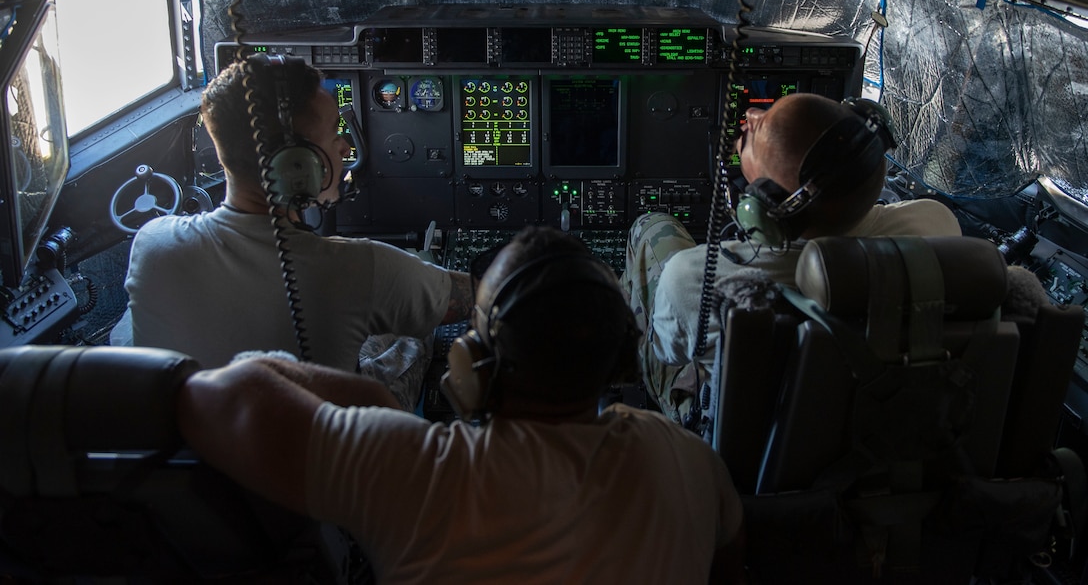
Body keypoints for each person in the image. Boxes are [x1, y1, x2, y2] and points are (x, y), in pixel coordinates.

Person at [177, 225, 746, 584]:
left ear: (472, 363)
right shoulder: (691, 461)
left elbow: (223, 395)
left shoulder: (413, 471)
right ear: (621, 358)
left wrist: (373, 405)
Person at [121, 54, 473, 377]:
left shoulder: (152, 241)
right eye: (335, 131)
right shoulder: (362, 268)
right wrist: (423, 269)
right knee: (413, 339)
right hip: (318, 435)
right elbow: (479, 296)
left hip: (195, 435)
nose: (346, 146)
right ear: (296, 166)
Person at [622, 93, 963, 423]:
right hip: (873, 425)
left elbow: (668, 354)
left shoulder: (694, 277)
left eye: (759, 128)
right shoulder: (936, 224)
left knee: (651, 228)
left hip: (746, 435)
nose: (752, 114)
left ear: (763, 208)